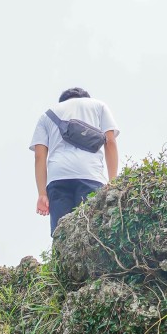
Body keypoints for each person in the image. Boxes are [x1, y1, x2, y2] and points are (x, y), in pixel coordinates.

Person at [30, 86, 119, 235]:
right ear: (85, 98)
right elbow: (110, 143)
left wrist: (42, 194)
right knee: (91, 232)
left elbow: (39, 156)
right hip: (90, 175)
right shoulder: (98, 106)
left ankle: (59, 258)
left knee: (62, 234)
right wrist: (113, 181)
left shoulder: (46, 116)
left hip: (58, 178)